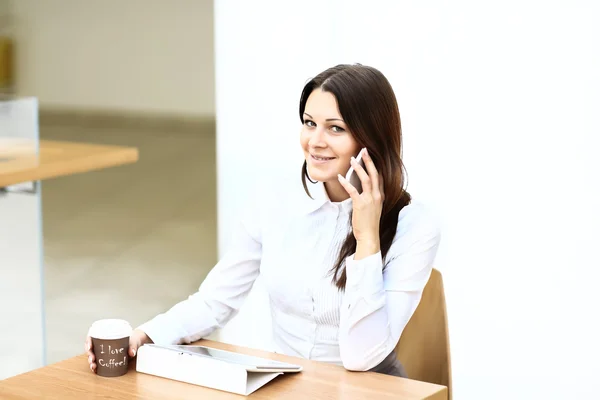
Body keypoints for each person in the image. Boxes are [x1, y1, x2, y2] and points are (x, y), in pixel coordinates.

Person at [85, 64, 441, 377]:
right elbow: (215, 300)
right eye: (309, 123)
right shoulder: (273, 202)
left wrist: (366, 240)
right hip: (290, 384)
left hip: (371, 389)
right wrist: (143, 336)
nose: (315, 141)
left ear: (372, 138)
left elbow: (362, 357)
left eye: (335, 128)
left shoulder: (415, 225)